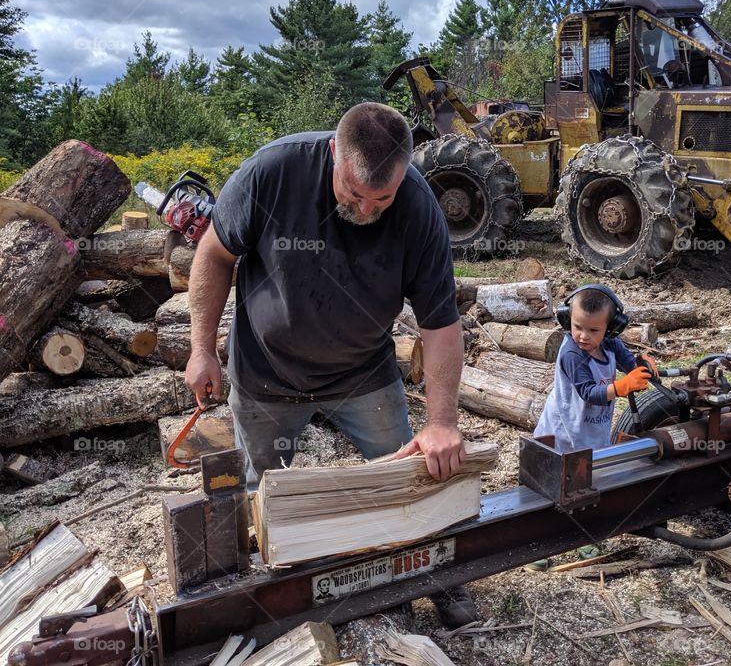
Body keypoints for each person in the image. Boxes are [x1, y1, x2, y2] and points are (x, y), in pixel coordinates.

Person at [184, 102, 476, 627]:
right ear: (333, 153)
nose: (366, 210)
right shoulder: (271, 173)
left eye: (381, 198)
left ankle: (435, 574)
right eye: (353, 195)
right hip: (266, 374)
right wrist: (202, 348)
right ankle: (274, 597)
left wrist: (442, 423)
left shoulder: (418, 208)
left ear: (403, 174)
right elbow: (214, 255)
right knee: (262, 495)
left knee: (417, 474)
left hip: (362, 373)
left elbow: (440, 323)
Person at [526, 284, 653, 571]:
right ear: (566, 320)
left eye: (594, 330)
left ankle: (584, 537)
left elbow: (628, 362)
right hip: (561, 430)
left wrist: (641, 366)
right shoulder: (572, 353)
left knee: (587, 484)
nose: (583, 336)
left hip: (590, 429)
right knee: (551, 487)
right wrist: (620, 386)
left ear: (610, 328)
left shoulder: (610, 344)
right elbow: (588, 392)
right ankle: (536, 546)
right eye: (577, 326)